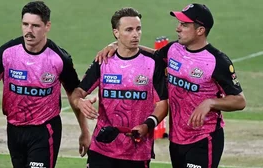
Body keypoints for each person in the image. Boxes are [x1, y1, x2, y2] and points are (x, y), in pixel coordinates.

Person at [96, 3, 246, 168]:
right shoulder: (174, 49)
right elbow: (152, 56)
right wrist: (116, 45)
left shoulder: (217, 61)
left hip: (204, 138)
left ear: (200, 30)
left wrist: (210, 102)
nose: (178, 28)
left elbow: (239, 101)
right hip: (177, 140)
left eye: (184, 25)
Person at [0, 1, 90, 168]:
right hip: (14, 130)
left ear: (47, 26)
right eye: (25, 24)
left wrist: (84, 131)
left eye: (35, 25)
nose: (29, 30)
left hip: (45, 130)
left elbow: (74, 94)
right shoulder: (7, 53)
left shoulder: (59, 58)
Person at [71, 7, 168, 168]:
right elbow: (78, 92)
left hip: (137, 151)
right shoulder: (103, 60)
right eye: (129, 30)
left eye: (138, 29)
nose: (135, 34)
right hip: (102, 147)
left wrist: (147, 125)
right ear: (116, 32)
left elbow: (163, 104)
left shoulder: (152, 63)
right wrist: (80, 102)